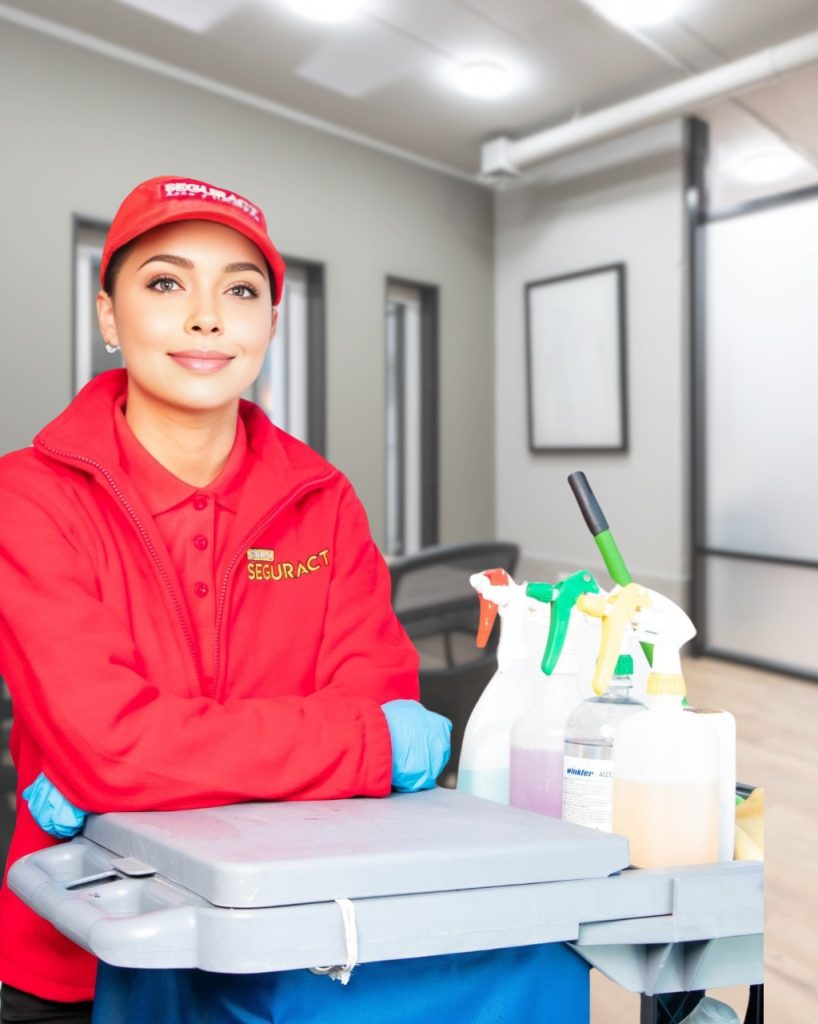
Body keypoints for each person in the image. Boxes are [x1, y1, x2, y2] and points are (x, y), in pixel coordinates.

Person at [0, 175, 451, 1023]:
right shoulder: (29, 497)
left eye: (240, 291)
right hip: (83, 955)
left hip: (292, 949)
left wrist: (138, 770)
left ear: (270, 325)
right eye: (166, 283)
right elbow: (112, 749)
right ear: (108, 317)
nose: (207, 317)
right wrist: (354, 746)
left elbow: (373, 704)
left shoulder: (323, 501)